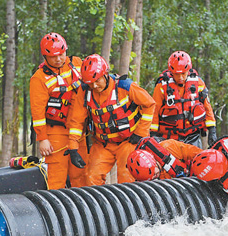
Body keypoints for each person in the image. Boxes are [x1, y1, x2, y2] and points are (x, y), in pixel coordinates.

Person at [66, 54, 155, 185]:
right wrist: (73, 148)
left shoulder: (124, 86)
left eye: (97, 81)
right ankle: (99, 205)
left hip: (128, 142)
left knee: (127, 178)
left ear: (105, 74)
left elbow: (150, 104)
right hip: (102, 144)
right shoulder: (85, 92)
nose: (94, 86)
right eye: (90, 83)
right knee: (91, 177)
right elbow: (76, 121)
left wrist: (140, 133)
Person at [30, 32, 88, 189]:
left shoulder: (76, 64)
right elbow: (37, 112)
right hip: (55, 133)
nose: (59, 59)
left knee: (81, 175)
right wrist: (43, 138)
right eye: (54, 56)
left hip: (79, 130)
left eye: (61, 54)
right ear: (45, 56)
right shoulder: (39, 78)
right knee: (57, 178)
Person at [150, 51, 217, 148]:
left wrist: (212, 130)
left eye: (183, 73)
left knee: (196, 161)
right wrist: (153, 134)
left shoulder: (198, 83)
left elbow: (207, 107)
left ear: (188, 70)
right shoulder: (162, 86)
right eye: (177, 74)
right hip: (169, 137)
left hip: (193, 135)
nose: (180, 77)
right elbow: (154, 111)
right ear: (171, 72)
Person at [127, 137, 202, 181]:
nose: (154, 177)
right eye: (151, 177)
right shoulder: (141, 175)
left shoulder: (169, 147)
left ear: (154, 161)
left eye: (153, 173)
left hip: (195, 177)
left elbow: (199, 154)